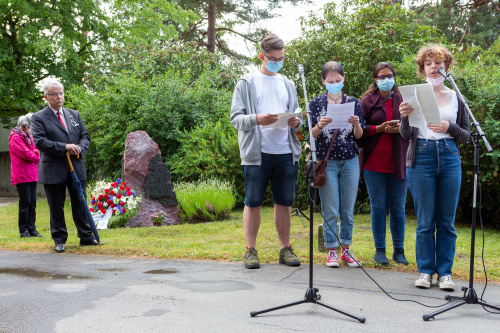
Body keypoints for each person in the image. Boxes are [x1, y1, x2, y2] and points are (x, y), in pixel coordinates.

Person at [399, 45, 471, 291]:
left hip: (450, 157)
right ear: (423, 69)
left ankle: (445, 274)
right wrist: (404, 116)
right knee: (425, 221)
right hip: (421, 156)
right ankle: (426, 271)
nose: (433, 67)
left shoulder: (456, 96)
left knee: (447, 222)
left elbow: (466, 136)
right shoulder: (413, 95)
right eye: (428, 63)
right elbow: (405, 134)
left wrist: (448, 127)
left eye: (438, 63)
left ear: (446, 67)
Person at [230, 34, 303, 269]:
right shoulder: (247, 82)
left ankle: (285, 249)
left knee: (284, 202)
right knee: (253, 202)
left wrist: (296, 122)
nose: (277, 62)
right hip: (256, 153)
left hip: (285, 152)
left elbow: (299, 117)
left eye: (281, 58)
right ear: (261, 56)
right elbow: (236, 119)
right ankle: (250, 250)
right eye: (273, 58)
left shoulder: (288, 83)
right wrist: (257, 119)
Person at [307, 61, 366, 268]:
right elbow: (309, 136)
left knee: (347, 209)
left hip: (350, 160)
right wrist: (318, 126)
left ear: (343, 79)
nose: (334, 84)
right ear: (323, 81)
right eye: (330, 81)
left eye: (338, 80)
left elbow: (359, 137)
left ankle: (346, 250)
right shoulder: (315, 104)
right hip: (327, 162)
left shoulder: (354, 102)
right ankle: (331, 250)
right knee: (330, 208)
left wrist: (357, 124)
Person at [31, 79, 99, 253]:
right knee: (56, 205)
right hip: (53, 168)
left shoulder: (73, 114)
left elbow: (85, 136)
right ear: (46, 97)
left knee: (80, 202)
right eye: (54, 94)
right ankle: (59, 239)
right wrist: (65, 147)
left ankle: (86, 236)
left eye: (61, 93)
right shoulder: (39, 118)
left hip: (76, 165)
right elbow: (40, 142)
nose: (59, 97)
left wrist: (78, 149)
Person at [359, 62, 409, 266]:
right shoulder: (367, 101)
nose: (386, 79)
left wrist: (401, 129)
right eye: (381, 76)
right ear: (375, 79)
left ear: (394, 77)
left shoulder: (403, 98)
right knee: (378, 207)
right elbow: (359, 132)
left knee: (398, 208)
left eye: (389, 75)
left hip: (399, 161)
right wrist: (378, 128)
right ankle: (380, 250)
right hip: (373, 163)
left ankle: (399, 250)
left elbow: (415, 126)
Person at [9, 113, 42, 238]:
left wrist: (34, 154)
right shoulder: (15, 137)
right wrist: (34, 154)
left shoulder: (30, 137)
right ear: (24, 126)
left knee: (32, 202)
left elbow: (36, 151)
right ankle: (24, 230)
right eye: (31, 127)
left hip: (32, 173)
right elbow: (25, 153)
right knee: (25, 202)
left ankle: (32, 229)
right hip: (22, 174)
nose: (32, 130)